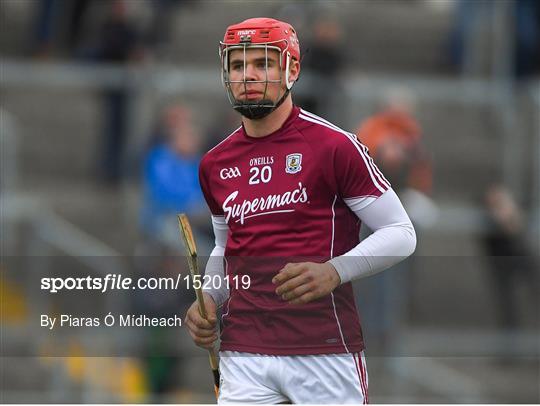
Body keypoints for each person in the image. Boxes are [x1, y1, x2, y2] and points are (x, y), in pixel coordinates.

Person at [184, 17, 416, 404]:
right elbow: (226, 249)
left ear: (292, 69)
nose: (248, 75)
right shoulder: (214, 163)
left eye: (263, 63)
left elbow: (401, 232)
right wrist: (209, 298)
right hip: (244, 351)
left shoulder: (335, 146)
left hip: (324, 350)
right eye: (238, 65)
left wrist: (334, 271)